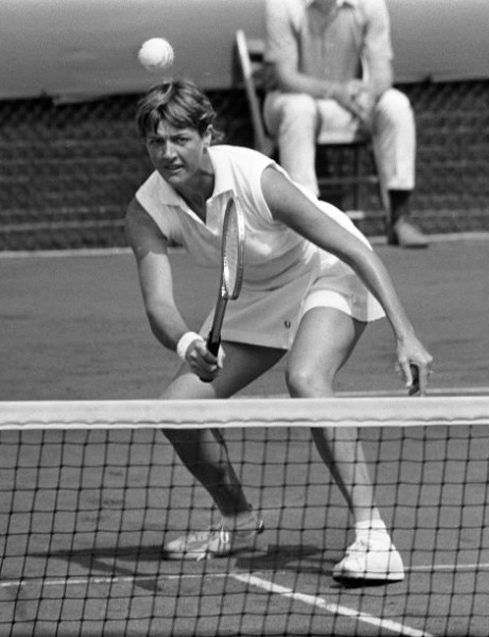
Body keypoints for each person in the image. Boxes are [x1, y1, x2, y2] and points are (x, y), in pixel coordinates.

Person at [125, 79, 433, 582]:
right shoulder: (146, 211)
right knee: (177, 411)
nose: (167, 153)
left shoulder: (253, 177)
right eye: (156, 142)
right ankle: (239, 521)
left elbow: (356, 249)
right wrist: (188, 342)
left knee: (307, 379)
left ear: (206, 135)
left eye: (180, 138)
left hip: (327, 268)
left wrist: (406, 334)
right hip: (259, 292)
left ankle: (374, 538)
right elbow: (158, 305)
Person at [263, 0, 429, 248]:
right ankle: (306, 225)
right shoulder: (281, 5)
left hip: (348, 106)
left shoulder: (371, 5)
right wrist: (334, 90)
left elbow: (382, 71)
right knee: (299, 109)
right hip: (291, 102)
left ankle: (399, 218)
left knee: (396, 104)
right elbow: (286, 78)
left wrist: (368, 97)